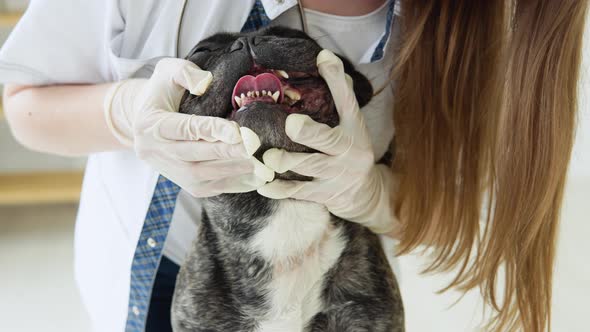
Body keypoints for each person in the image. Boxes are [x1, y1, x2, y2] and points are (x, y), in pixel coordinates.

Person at [1, 0, 586, 331]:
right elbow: (25, 102)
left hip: (346, 291)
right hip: (166, 283)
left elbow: (446, 208)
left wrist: (374, 193)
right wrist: (122, 109)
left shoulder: (483, 30)